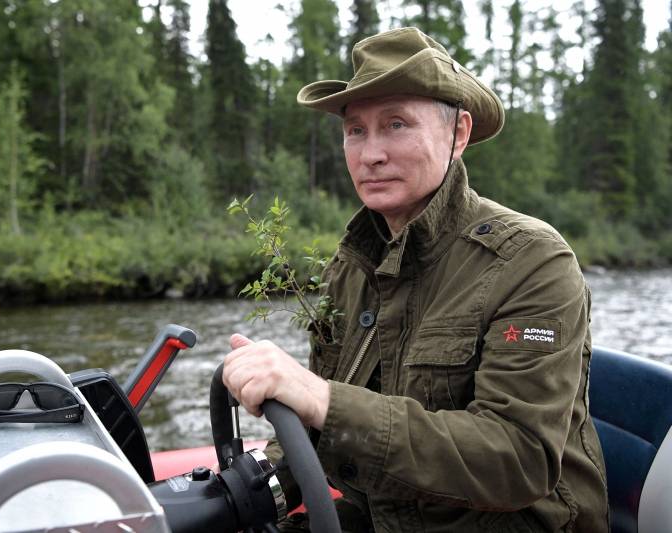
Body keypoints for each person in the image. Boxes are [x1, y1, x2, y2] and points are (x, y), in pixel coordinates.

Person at [222, 27, 608, 532]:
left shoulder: (532, 261)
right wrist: (254, 489)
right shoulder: (353, 266)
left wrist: (322, 398)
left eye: (396, 124)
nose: (370, 153)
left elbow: (518, 459)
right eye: (355, 130)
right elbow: (319, 429)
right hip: (381, 516)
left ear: (459, 134)